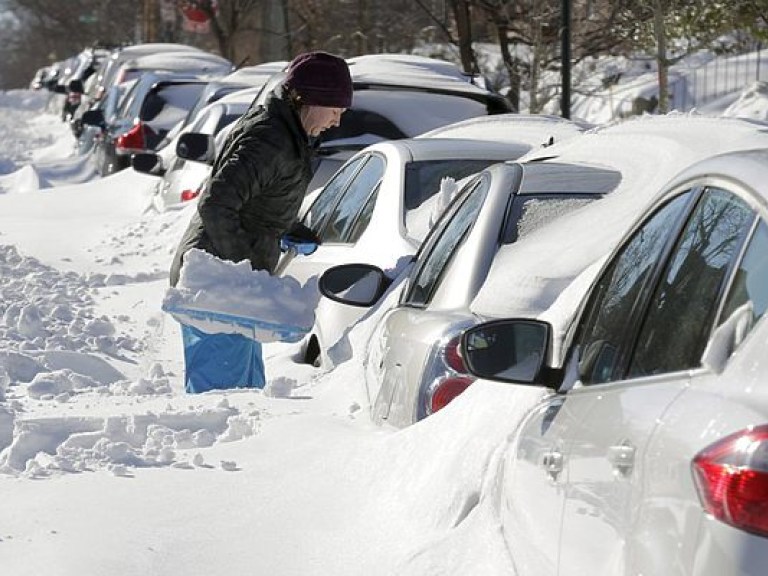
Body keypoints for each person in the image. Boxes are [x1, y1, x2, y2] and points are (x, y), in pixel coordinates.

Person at [169, 51, 353, 393]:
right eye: (335, 110)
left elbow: (254, 200)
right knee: (223, 397)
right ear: (308, 100)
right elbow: (217, 205)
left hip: (231, 287)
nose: (336, 122)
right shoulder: (270, 139)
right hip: (218, 287)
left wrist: (284, 228)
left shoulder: (287, 133)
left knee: (246, 390)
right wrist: (244, 273)